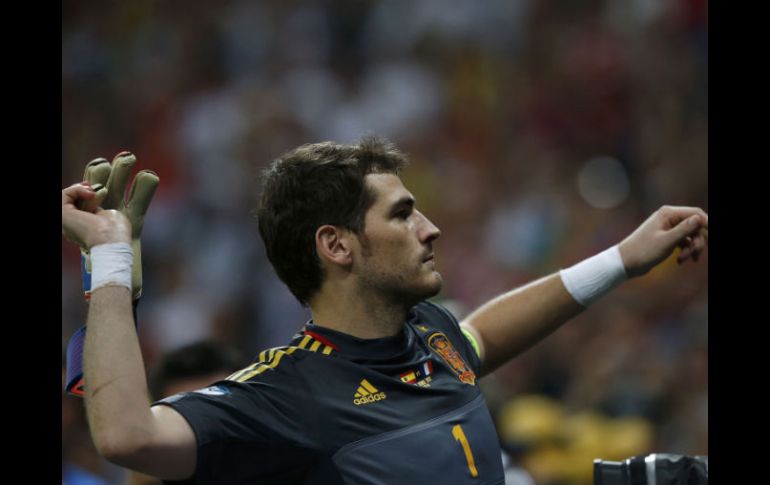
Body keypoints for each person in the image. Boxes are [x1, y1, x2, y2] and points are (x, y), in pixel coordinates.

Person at [61, 136, 708, 484]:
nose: (430, 228)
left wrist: (623, 258)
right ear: (337, 245)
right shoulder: (282, 395)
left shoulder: (429, 335)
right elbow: (127, 437)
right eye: (402, 214)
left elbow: (481, 334)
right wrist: (112, 261)